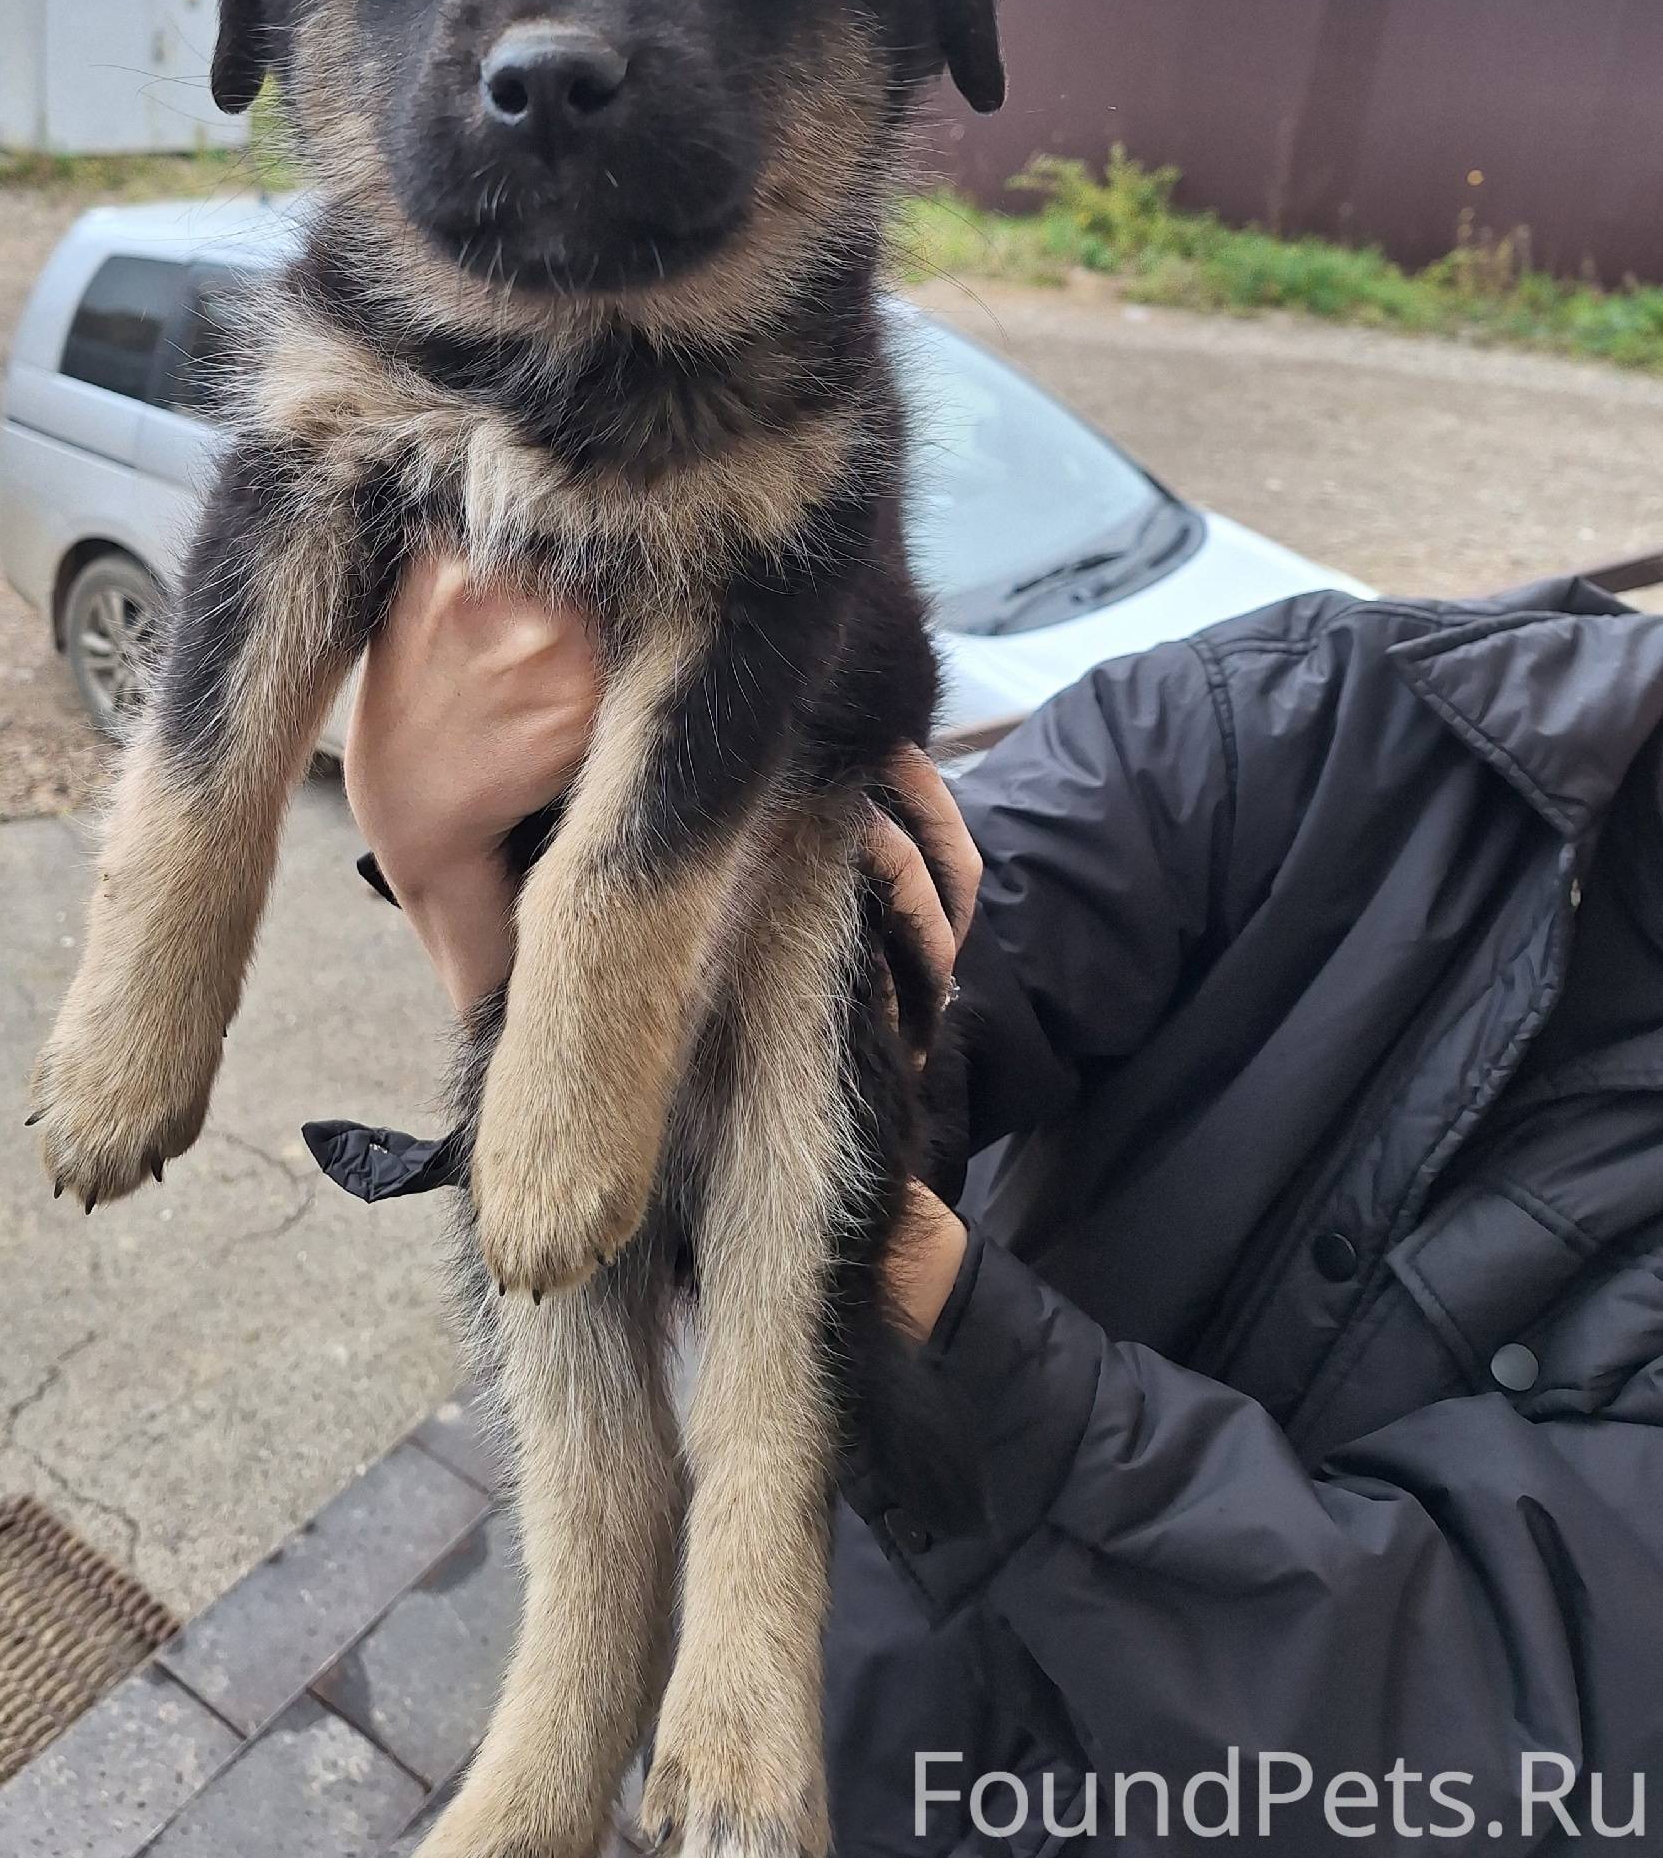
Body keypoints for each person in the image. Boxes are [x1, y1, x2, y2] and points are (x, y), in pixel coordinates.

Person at [346, 559, 1663, 1853]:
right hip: (844, 1718)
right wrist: (522, 902)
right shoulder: (1357, 709)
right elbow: (950, 934)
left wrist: (857, 1238)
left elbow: (1499, 1736)